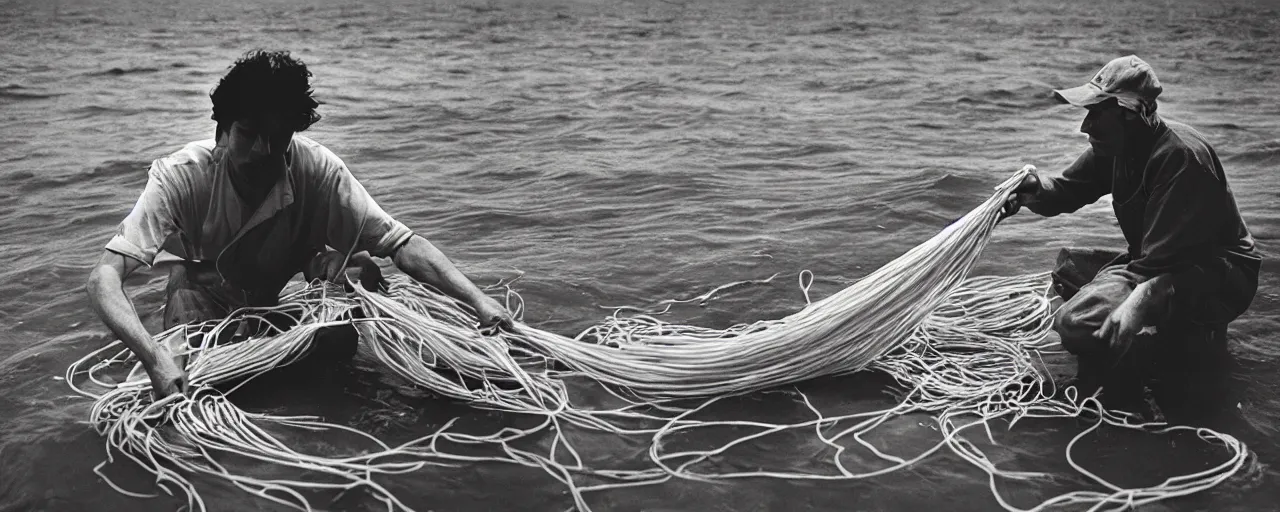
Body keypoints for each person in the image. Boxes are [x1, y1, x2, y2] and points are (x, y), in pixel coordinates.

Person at [86, 50, 515, 399]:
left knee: (355, 287)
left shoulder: (317, 169)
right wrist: (152, 356)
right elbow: (104, 277)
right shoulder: (180, 175)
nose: (263, 150)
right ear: (221, 131)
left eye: (278, 135)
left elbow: (401, 243)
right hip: (203, 288)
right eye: (248, 132)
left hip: (276, 281)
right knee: (190, 389)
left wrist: (479, 302)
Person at [1001, 55, 1260, 410]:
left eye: (1095, 114)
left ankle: (1148, 363)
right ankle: (1152, 337)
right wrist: (1033, 191)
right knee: (1069, 269)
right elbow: (1066, 188)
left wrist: (1133, 303)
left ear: (1129, 113)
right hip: (1159, 263)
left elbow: (1159, 268)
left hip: (1213, 274)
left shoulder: (1181, 157)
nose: (1085, 127)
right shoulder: (1117, 148)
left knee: (1075, 321)